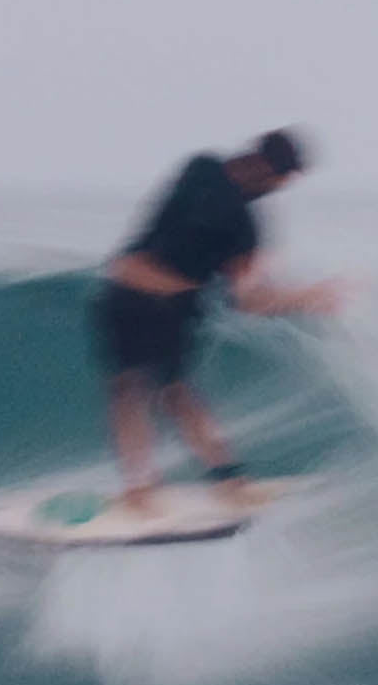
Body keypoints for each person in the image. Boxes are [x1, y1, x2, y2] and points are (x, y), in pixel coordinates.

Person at [91, 128, 340, 513]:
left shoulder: (244, 223)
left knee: (175, 394)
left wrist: (301, 297)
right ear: (265, 166)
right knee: (126, 390)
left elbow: (248, 299)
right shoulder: (203, 169)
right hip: (124, 295)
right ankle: (140, 488)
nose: (278, 190)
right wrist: (302, 295)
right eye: (279, 181)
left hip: (168, 307)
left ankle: (229, 480)